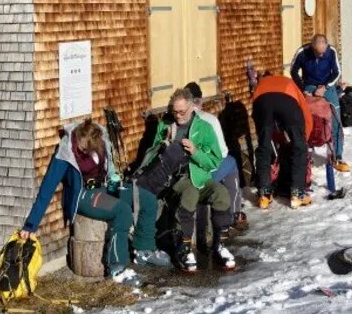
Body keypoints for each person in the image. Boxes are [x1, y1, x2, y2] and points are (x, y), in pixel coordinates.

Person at [20, 119, 158, 285]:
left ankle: (143, 250)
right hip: (83, 195)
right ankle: (117, 267)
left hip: (106, 186)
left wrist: (114, 179)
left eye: (87, 148)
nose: (83, 150)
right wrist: (30, 225)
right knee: (122, 211)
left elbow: (109, 168)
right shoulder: (66, 153)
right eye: (82, 147)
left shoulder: (101, 139)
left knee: (148, 200)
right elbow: (47, 189)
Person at [134, 88, 236, 272]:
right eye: (175, 111)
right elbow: (154, 155)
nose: (178, 116)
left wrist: (196, 152)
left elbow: (215, 160)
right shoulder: (165, 125)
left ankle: (220, 245)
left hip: (200, 176)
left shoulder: (204, 128)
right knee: (189, 193)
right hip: (175, 179)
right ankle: (184, 248)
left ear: (191, 108)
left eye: (182, 112)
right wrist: (163, 144)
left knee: (221, 194)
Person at [185, 82, 248, 234]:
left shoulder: (174, 118)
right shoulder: (208, 119)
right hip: (200, 173)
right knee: (231, 162)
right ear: (199, 101)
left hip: (179, 173)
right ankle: (233, 214)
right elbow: (222, 152)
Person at [251, 73, 313, 209]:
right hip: (287, 100)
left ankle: (264, 195)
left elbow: (257, 119)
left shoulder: (260, 85)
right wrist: (303, 140)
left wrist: (266, 138)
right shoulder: (289, 82)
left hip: (262, 101)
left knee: (264, 147)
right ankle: (297, 194)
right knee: (300, 147)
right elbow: (306, 117)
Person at [291, 34, 350, 171]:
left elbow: (337, 72)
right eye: (317, 53)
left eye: (322, 53)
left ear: (326, 45)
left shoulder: (331, 52)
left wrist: (326, 87)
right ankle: (305, 153)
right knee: (306, 118)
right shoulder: (303, 52)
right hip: (309, 87)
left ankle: (337, 154)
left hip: (326, 86)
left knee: (335, 116)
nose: (320, 55)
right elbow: (293, 70)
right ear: (312, 46)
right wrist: (302, 89)